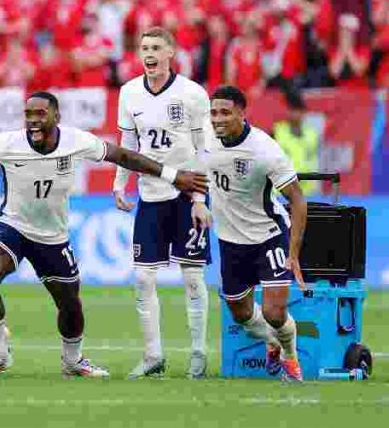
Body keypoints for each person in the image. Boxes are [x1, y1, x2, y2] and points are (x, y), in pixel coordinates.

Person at [0, 92, 209, 378]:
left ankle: (73, 360)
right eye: (28, 114)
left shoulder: (76, 141)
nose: (33, 119)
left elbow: (123, 156)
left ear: (56, 116)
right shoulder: (8, 143)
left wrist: (173, 176)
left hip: (53, 235)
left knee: (70, 302)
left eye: (40, 113)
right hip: (13, 226)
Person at [113, 27, 214, 379]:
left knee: (192, 277)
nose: (149, 54)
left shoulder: (192, 94)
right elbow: (127, 142)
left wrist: (200, 199)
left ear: (171, 52)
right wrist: (119, 183)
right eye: (144, 48)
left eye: (156, 47)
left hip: (189, 195)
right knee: (143, 278)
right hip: (151, 194)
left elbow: (204, 150)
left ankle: (198, 353)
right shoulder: (129, 93)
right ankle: (153, 355)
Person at [204, 85, 307, 382]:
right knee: (240, 313)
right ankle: (272, 341)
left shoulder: (264, 150)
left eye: (225, 112)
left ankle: (290, 356)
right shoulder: (205, 138)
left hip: (268, 235)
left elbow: (298, 200)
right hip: (230, 241)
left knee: (275, 312)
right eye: (213, 112)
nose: (217, 119)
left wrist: (294, 254)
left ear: (241, 113)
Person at [272, 91, 319, 196]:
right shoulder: (277, 131)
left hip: (307, 190)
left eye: (299, 111)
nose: (295, 114)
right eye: (292, 110)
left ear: (304, 113)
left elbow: (313, 158)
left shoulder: (312, 133)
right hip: (282, 190)